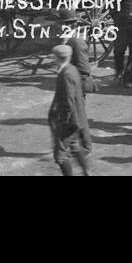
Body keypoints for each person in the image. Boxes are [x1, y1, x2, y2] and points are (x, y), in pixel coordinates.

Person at [48, 44, 92, 176]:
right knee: (74, 146)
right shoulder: (72, 69)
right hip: (76, 118)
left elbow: (68, 101)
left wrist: (64, 121)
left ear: (58, 58)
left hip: (68, 121)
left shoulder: (66, 74)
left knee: (60, 155)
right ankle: (87, 172)